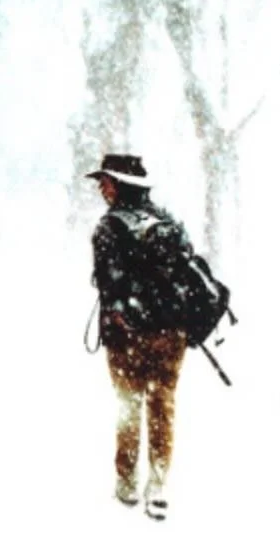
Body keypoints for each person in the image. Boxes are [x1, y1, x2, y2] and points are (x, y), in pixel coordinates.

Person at [87, 154, 191, 521]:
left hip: (127, 333)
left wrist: (122, 311)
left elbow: (107, 283)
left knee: (129, 404)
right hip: (171, 331)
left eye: (106, 181)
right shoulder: (168, 221)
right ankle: (158, 483)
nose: (101, 188)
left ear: (120, 184)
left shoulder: (108, 228)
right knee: (162, 403)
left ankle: (127, 479)